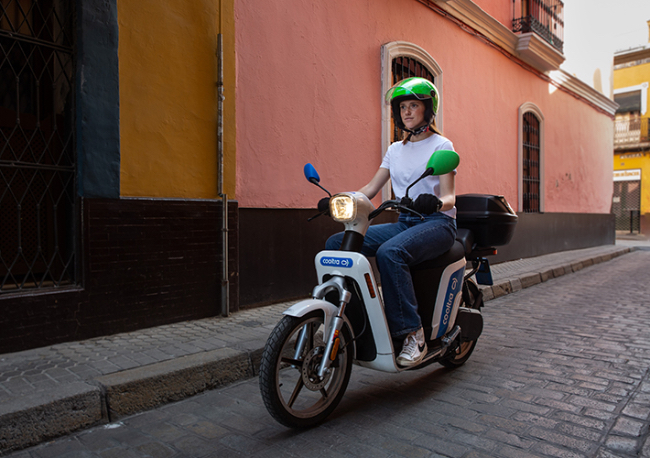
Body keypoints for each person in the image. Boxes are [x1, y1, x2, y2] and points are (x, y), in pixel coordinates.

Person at [325, 77, 457, 367]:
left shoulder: (442, 145)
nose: (407, 112)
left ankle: (413, 334)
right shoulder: (395, 149)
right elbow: (370, 189)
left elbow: (450, 197)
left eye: (414, 105)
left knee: (390, 253)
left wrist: (434, 202)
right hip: (406, 222)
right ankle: (347, 318)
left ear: (428, 110)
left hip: (437, 222)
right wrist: (340, 199)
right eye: (403, 107)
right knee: (336, 243)